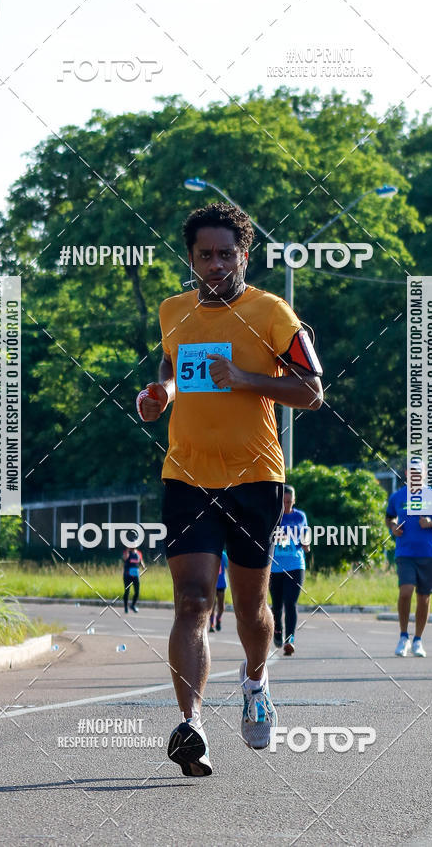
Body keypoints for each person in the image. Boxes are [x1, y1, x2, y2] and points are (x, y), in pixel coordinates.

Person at [136, 201, 323, 776]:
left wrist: (246, 380)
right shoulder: (173, 311)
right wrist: (160, 394)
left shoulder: (272, 312)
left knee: (250, 608)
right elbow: (172, 368)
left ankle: (255, 680)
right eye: (203, 255)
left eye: (225, 254)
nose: (215, 264)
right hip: (187, 474)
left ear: (244, 254)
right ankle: (190, 725)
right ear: (191, 259)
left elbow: (313, 390)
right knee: (193, 600)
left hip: (254, 477)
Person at [386, 461, 432, 658]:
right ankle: (403, 636)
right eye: (411, 471)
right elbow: (389, 517)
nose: (414, 474)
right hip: (405, 552)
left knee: (424, 597)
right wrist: (393, 527)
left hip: (429, 553)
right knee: (406, 591)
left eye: (418, 471)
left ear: (424, 474)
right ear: (406, 473)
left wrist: (431, 523)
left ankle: (418, 640)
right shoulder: (397, 496)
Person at [269, 485, 309, 656]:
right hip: (275, 567)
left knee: (290, 603)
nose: (286, 505)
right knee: (277, 605)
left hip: (295, 565)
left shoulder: (300, 516)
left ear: (294, 500)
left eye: (289, 502)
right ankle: (277, 629)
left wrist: (306, 543)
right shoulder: (273, 515)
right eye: (284, 502)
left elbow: (306, 535)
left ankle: (290, 639)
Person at [122, 545, 145, 614]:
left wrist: (143, 566)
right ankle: (126, 607)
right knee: (127, 591)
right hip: (127, 575)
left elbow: (141, 561)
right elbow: (125, 558)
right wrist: (127, 550)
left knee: (137, 592)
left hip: (135, 575)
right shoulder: (127, 552)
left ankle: (133, 605)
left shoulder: (138, 553)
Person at [209, 550, 228, 632]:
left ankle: (218, 619)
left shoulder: (224, 555)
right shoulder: (210, 554)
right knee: (212, 606)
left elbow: (228, 567)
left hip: (221, 583)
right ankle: (211, 625)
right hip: (212, 583)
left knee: (221, 607)